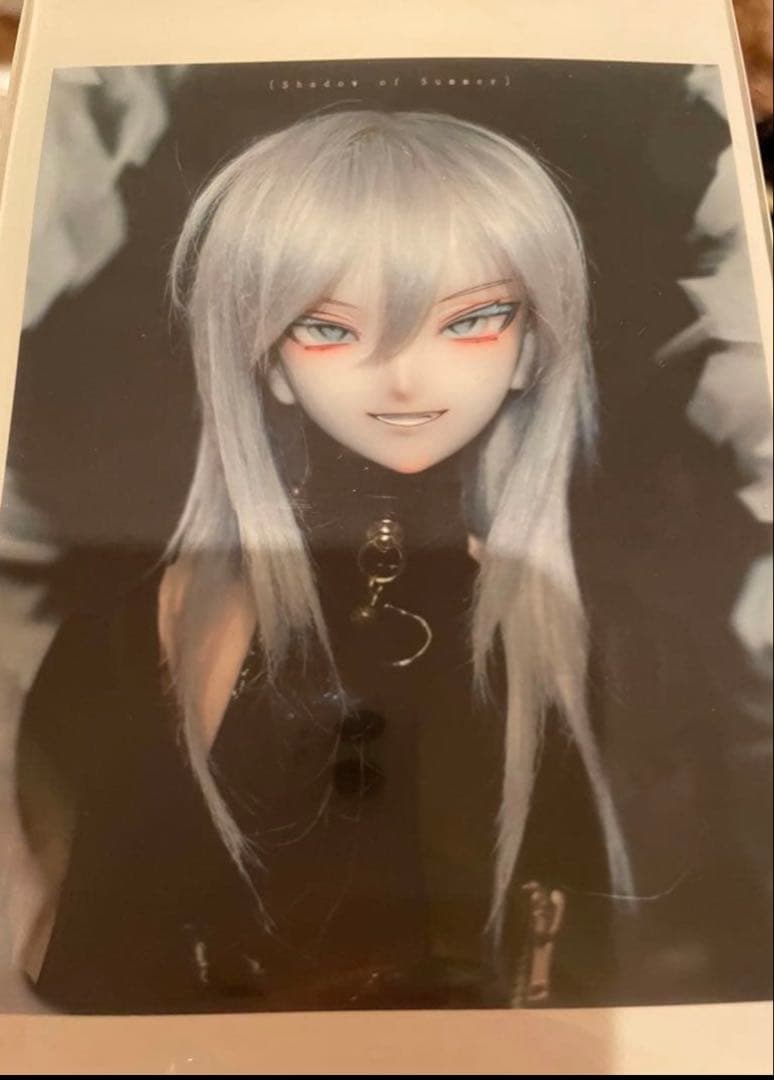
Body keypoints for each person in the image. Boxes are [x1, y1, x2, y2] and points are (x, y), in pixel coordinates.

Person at [15, 108, 635, 1013]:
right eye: (332, 329)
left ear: (530, 347)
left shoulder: (567, 642)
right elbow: (91, 963)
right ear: (268, 363)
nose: (404, 378)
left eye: (471, 320)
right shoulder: (133, 639)